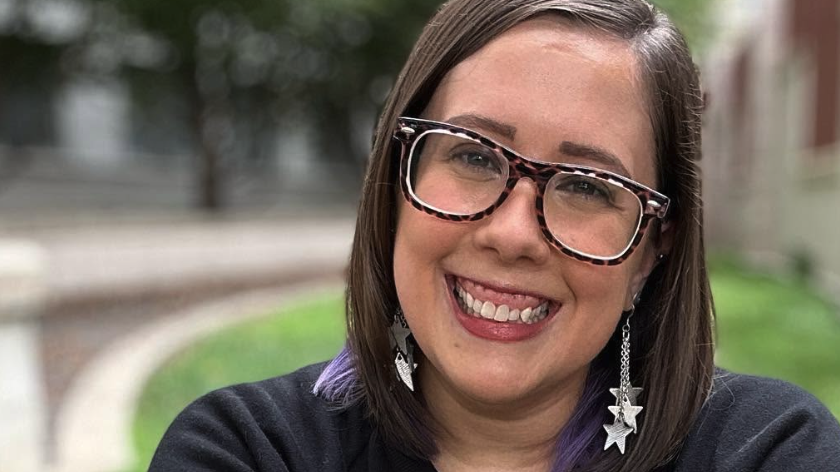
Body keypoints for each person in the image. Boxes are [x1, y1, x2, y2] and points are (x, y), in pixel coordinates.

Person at [149, 0, 840, 470]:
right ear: (396, 179)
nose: (513, 234)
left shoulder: (765, 450)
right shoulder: (248, 450)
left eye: (587, 186)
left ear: (652, 251)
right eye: (474, 155)